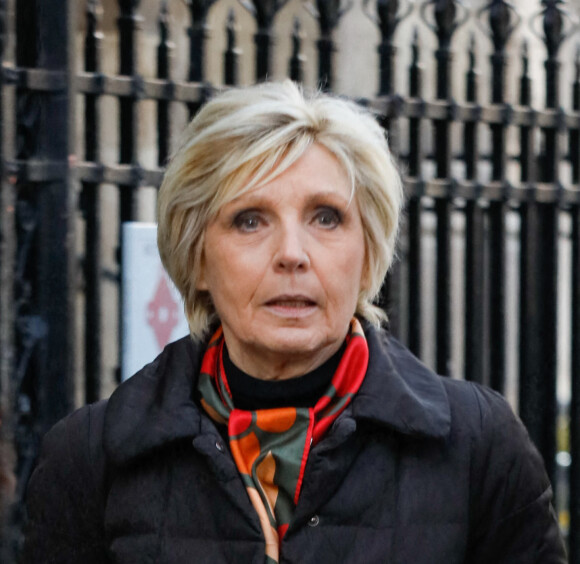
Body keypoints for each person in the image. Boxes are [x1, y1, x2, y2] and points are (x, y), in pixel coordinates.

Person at [23, 81, 566, 563]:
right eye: (250, 220)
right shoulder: (91, 458)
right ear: (197, 257)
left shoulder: (478, 446)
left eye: (325, 217)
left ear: (366, 250)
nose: (292, 253)